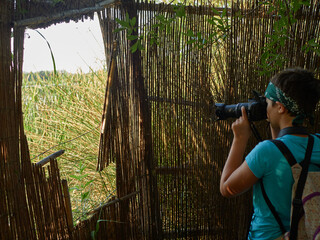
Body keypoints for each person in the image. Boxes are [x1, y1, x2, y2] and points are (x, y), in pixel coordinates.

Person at [219, 67, 320, 240]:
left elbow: (227, 188)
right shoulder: (317, 142)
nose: (265, 108)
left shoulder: (266, 152)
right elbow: (283, 147)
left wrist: (239, 138)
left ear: (280, 107)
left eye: (268, 102)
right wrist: (276, 125)